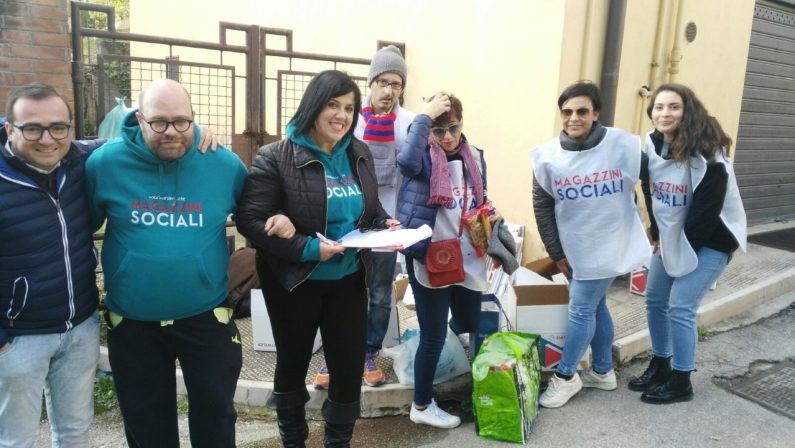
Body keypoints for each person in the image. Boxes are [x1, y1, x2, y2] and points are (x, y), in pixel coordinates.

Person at [84, 78, 251, 448]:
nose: (171, 132)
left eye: (182, 122)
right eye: (159, 122)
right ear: (139, 120)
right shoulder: (105, 164)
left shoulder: (222, 163)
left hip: (207, 318)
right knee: (147, 425)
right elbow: (82, 224)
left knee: (216, 419)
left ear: (194, 120)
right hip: (133, 322)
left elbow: (254, 213)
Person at [236, 70, 396, 448]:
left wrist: (384, 223)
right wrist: (308, 248)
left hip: (347, 280)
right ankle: (294, 440)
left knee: (347, 366)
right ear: (313, 106)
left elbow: (368, 207)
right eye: (333, 105)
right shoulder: (275, 156)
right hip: (295, 283)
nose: (342, 115)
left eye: (349, 108)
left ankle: (338, 442)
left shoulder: (358, 152)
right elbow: (250, 221)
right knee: (291, 364)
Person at [531, 81, 651, 408]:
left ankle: (566, 376)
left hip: (611, 243)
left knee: (581, 308)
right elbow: (542, 207)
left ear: (595, 113)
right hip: (575, 249)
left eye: (582, 111)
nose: (574, 118)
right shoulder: (547, 157)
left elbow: (653, 174)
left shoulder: (621, 146)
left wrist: (653, 222)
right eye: (567, 112)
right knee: (596, 307)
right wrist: (555, 252)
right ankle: (602, 371)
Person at [0, 84, 104, 448]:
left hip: (81, 329)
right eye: (32, 129)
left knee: (75, 433)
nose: (47, 139)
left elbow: (138, 133)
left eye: (58, 127)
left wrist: (197, 130)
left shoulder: (77, 160)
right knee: (16, 440)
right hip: (18, 340)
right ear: (9, 129)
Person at [630, 83, 747, 404]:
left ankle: (682, 381)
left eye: (674, 107)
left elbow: (705, 215)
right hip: (673, 235)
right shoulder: (652, 145)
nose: (665, 113)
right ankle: (661, 363)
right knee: (655, 298)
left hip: (711, 240)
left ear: (687, 111)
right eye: (659, 107)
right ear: (651, 112)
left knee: (680, 306)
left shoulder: (708, 155)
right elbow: (648, 185)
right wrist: (655, 231)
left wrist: (680, 256)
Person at [312, 45, 417, 390]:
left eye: (396, 84)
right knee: (344, 291)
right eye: (383, 82)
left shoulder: (409, 123)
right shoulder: (350, 121)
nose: (388, 91)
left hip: (388, 222)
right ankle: (336, 354)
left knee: (381, 292)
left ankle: (368, 351)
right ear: (370, 82)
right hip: (349, 221)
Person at [396, 92, 488, 429]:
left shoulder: (475, 156)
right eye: (439, 131)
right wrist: (423, 118)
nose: (448, 137)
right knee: (432, 334)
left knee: (469, 320)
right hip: (432, 257)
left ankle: (448, 358)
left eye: (453, 128)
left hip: (468, 256)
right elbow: (404, 161)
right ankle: (421, 404)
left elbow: (481, 199)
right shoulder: (421, 159)